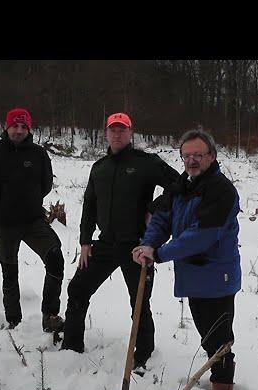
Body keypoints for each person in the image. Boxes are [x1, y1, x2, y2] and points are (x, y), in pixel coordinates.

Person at [132, 128, 241, 390]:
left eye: (198, 155)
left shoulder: (221, 190)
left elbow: (202, 235)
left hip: (217, 279)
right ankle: (221, 381)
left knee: (219, 342)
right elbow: (161, 217)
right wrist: (148, 243)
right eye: (187, 156)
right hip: (194, 277)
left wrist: (161, 253)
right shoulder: (182, 185)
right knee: (209, 339)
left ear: (212, 157)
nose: (192, 161)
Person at [60, 112, 180, 372]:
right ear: (106, 133)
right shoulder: (100, 167)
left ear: (130, 133)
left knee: (138, 302)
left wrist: (155, 207)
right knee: (78, 290)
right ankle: (71, 346)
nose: (117, 134)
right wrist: (84, 241)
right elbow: (90, 205)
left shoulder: (146, 162)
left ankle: (143, 355)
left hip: (137, 245)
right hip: (105, 244)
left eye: (122, 129)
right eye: (113, 129)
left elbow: (178, 184)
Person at [0, 108, 65, 333]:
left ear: (29, 129)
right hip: (3, 224)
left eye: (24, 127)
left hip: (32, 220)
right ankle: (14, 321)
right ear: (7, 126)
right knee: (9, 273)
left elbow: (46, 184)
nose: (19, 130)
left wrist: (29, 202)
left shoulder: (38, 154)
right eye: (15, 126)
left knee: (55, 258)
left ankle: (50, 315)